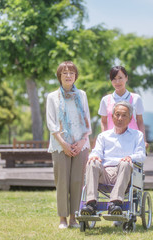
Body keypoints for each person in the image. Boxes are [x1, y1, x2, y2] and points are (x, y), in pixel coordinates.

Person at [46, 61, 92, 229]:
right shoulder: (52, 97)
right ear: (59, 76)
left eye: (71, 73)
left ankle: (74, 218)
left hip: (80, 145)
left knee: (77, 181)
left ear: (75, 76)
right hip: (60, 145)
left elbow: (87, 120)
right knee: (62, 182)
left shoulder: (82, 95)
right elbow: (51, 123)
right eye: (64, 73)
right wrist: (64, 144)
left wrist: (81, 143)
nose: (68, 75)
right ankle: (62, 219)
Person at [80, 101, 146, 216]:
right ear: (112, 117)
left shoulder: (137, 135)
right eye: (117, 115)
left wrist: (130, 157)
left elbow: (141, 155)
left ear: (130, 118)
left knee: (125, 163)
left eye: (124, 115)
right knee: (92, 162)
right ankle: (91, 204)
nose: (120, 118)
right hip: (105, 173)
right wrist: (94, 156)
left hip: (125, 173)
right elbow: (96, 151)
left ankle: (115, 203)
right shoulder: (103, 136)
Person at [98, 66, 148, 148]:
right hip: (112, 143)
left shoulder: (136, 98)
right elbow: (103, 122)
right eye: (114, 79)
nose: (117, 82)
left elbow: (140, 122)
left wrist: (143, 141)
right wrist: (104, 140)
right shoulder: (105, 100)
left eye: (120, 78)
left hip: (132, 141)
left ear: (126, 78)